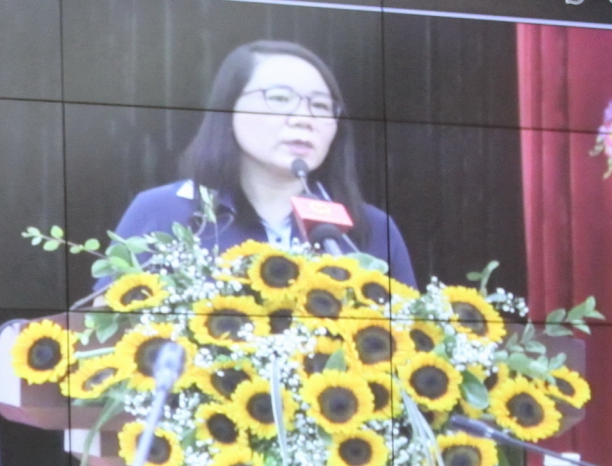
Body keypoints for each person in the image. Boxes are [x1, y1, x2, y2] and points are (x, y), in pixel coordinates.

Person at [112, 40, 417, 288]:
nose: (304, 119)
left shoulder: (372, 228)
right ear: (229, 110)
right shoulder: (162, 212)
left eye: (321, 106)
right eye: (280, 99)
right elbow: (107, 334)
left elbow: (410, 345)